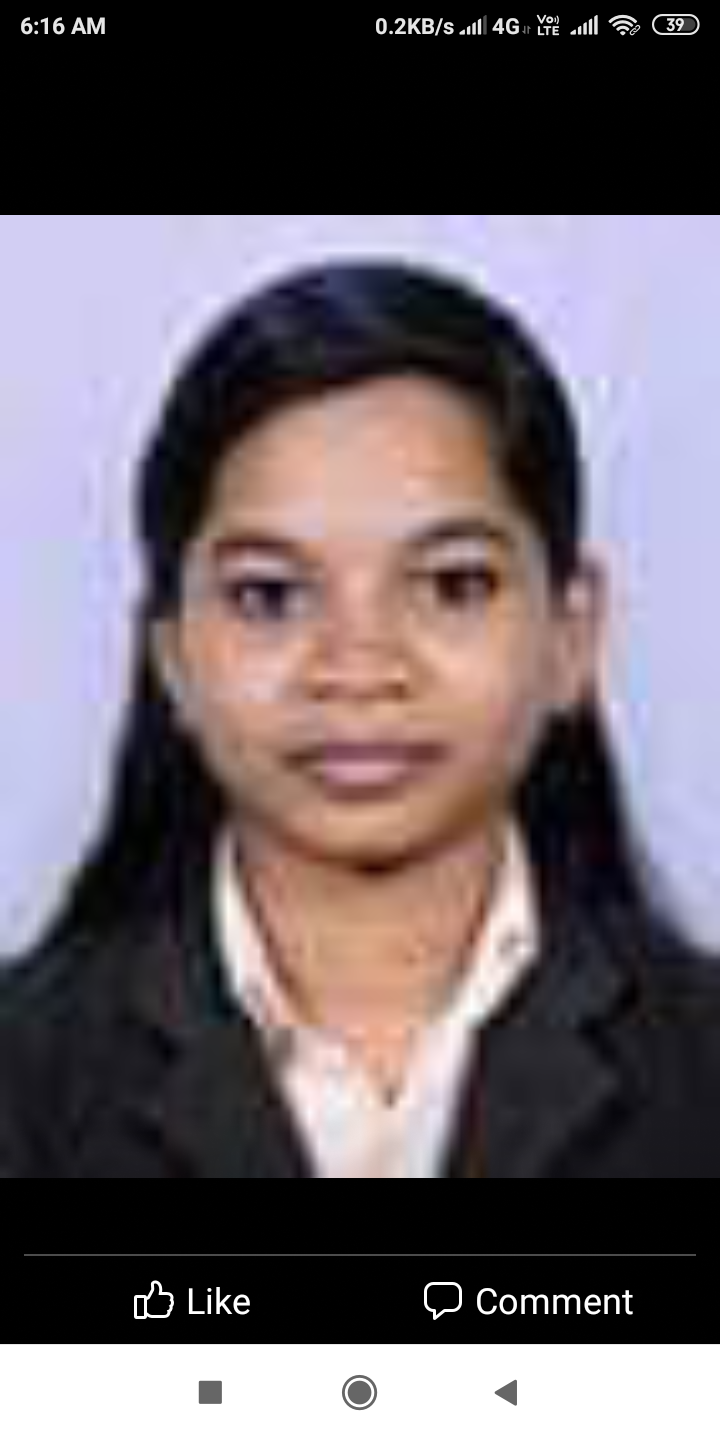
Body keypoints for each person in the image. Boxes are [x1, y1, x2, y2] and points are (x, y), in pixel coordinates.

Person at [1, 257, 719, 1179]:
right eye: (269, 595)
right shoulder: (27, 1070)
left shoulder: (699, 1059)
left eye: (453, 584)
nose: (359, 668)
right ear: (172, 659)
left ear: (572, 637)